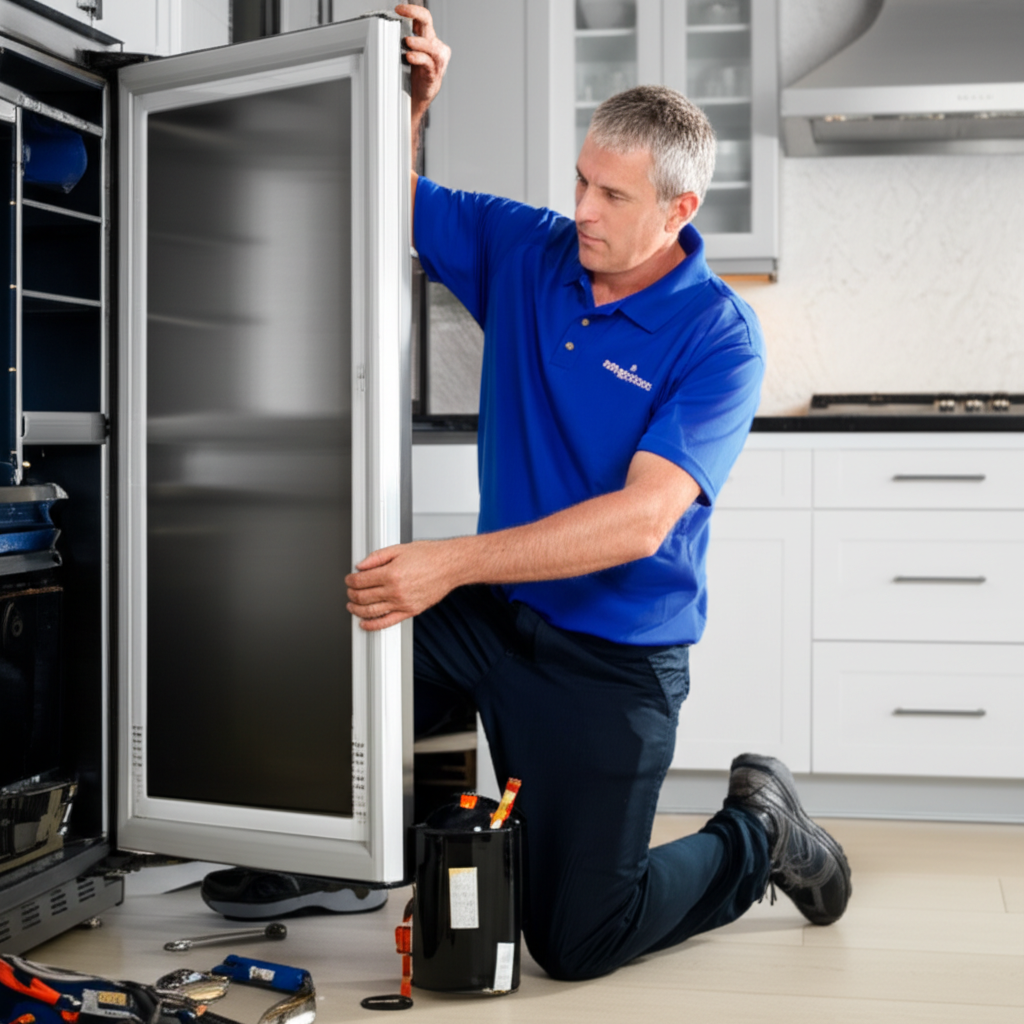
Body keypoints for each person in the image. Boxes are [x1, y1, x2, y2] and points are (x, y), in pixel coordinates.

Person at [343, 4, 851, 982]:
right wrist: (413, 102)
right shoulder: (529, 253)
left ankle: (759, 832)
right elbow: (388, 197)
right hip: (498, 616)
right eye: (581, 179)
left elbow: (642, 519)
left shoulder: (717, 336)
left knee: (577, 940)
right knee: (343, 627)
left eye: (613, 195)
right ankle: (334, 860)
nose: (582, 208)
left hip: (612, 661)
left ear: (678, 210)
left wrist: (447, 560)